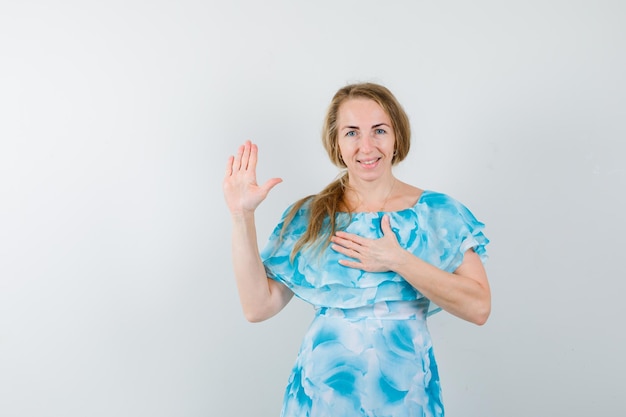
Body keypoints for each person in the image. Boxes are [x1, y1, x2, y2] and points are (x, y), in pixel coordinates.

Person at [222, 82, 491, 417]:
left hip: (405, 399)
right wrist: (241, 216)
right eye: (352, 132)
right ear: (336, 143)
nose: (367, 146)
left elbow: (479, 307)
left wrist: (399, 260)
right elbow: (257, 307)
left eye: (379, 130)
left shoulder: (437, 213)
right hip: (321, 398)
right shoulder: (311, 217)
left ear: (397, 137)